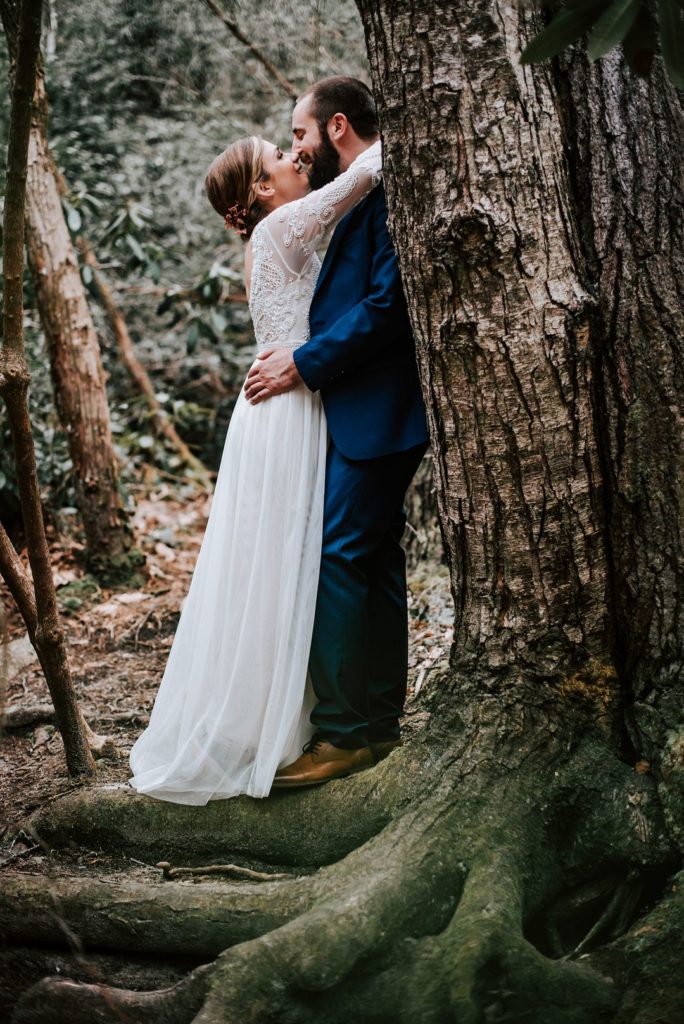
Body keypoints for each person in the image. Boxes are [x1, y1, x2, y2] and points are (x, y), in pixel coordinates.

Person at [128, 130, 383, 804]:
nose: (295, 158)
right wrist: (369, 133)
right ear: (263, 190)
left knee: (280, 563)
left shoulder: (270, 239)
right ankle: (279, 720)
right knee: (289, 563)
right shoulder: (281, 231)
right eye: (281, 154)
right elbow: (365, 176)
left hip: (282, 403)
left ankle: (285, 714)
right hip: (288, 410)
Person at [245, 77, 429, 788]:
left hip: (376, 406)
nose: (296, 148)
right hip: (362, 408)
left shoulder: (379, 187)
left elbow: (388, 305)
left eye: (300, 135)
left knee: (339, 557)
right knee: (372, 556)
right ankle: (378, 720)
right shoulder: (352, 190)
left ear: (338, 126)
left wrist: (305, 362)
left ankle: (347, 734)